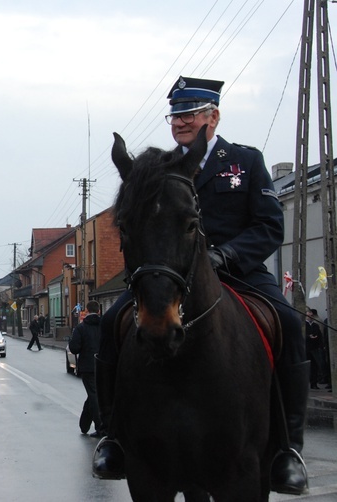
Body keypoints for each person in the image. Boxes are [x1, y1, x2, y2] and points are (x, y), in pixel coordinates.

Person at [91, 76, 310, 495]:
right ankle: (113, 437)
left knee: (289, 323)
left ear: (213, 115)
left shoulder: (244, 161)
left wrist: (225, 255)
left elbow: (269, 226)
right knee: (111, 323)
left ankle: (287, 450)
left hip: (239, 273)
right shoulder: (161, 168)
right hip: (172, 275)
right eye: (176, 115)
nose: (181, 122)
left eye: (189, 114)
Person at [69, 300, 103, 437]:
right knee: (94, 394)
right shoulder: (105, 326)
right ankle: (84, 425)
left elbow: (74, 348)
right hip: (103, 365)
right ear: (99, 311)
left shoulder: (81, 328)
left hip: (88, 366)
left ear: (87, 311)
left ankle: (101, 427)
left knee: (93, 395)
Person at [306, 308, 324, 390]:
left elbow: (320, 336)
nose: (310, 317)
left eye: (311, 315)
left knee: (314, 366)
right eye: (308, 315)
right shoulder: (304, 325)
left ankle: (314, 383)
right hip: (306, 348)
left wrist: (321, 345)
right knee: (307, 366)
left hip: (314, 348)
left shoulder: (315, 325)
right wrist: (308, 336)